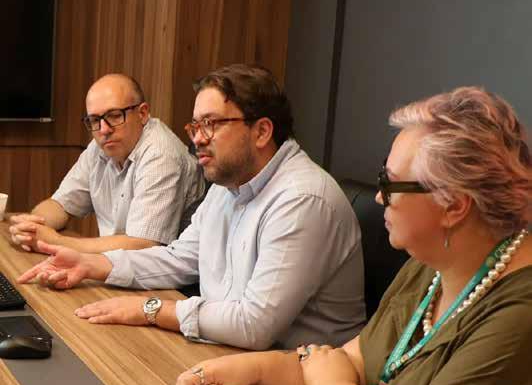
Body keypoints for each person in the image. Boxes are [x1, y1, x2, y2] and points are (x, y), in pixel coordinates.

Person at [175, 86, 532, 385]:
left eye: (390, 183)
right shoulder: (432, 266)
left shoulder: (518, 312)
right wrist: (252, 371)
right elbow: (348, 362)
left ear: (454, 205)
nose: (379, 196)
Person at [18, 64, 366, 350]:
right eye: (196, 125)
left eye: (211, 124)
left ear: (261, 132)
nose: (197, 138)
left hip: (297, 380)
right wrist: (94, 265)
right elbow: (179, 258)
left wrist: (150, 309)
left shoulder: (302, 199)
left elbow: (253, 326)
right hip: (227, 352)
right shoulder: (228, 183)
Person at [10, 73, 204, 253]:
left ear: (143, 113)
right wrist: (32, 226)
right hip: (118, 265)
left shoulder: (161, 154)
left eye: (114, 116)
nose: (104, 129)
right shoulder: (100, 147)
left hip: (169, 275)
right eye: (95, 120)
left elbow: (143, 246)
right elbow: (61, 205)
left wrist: (55, 242)